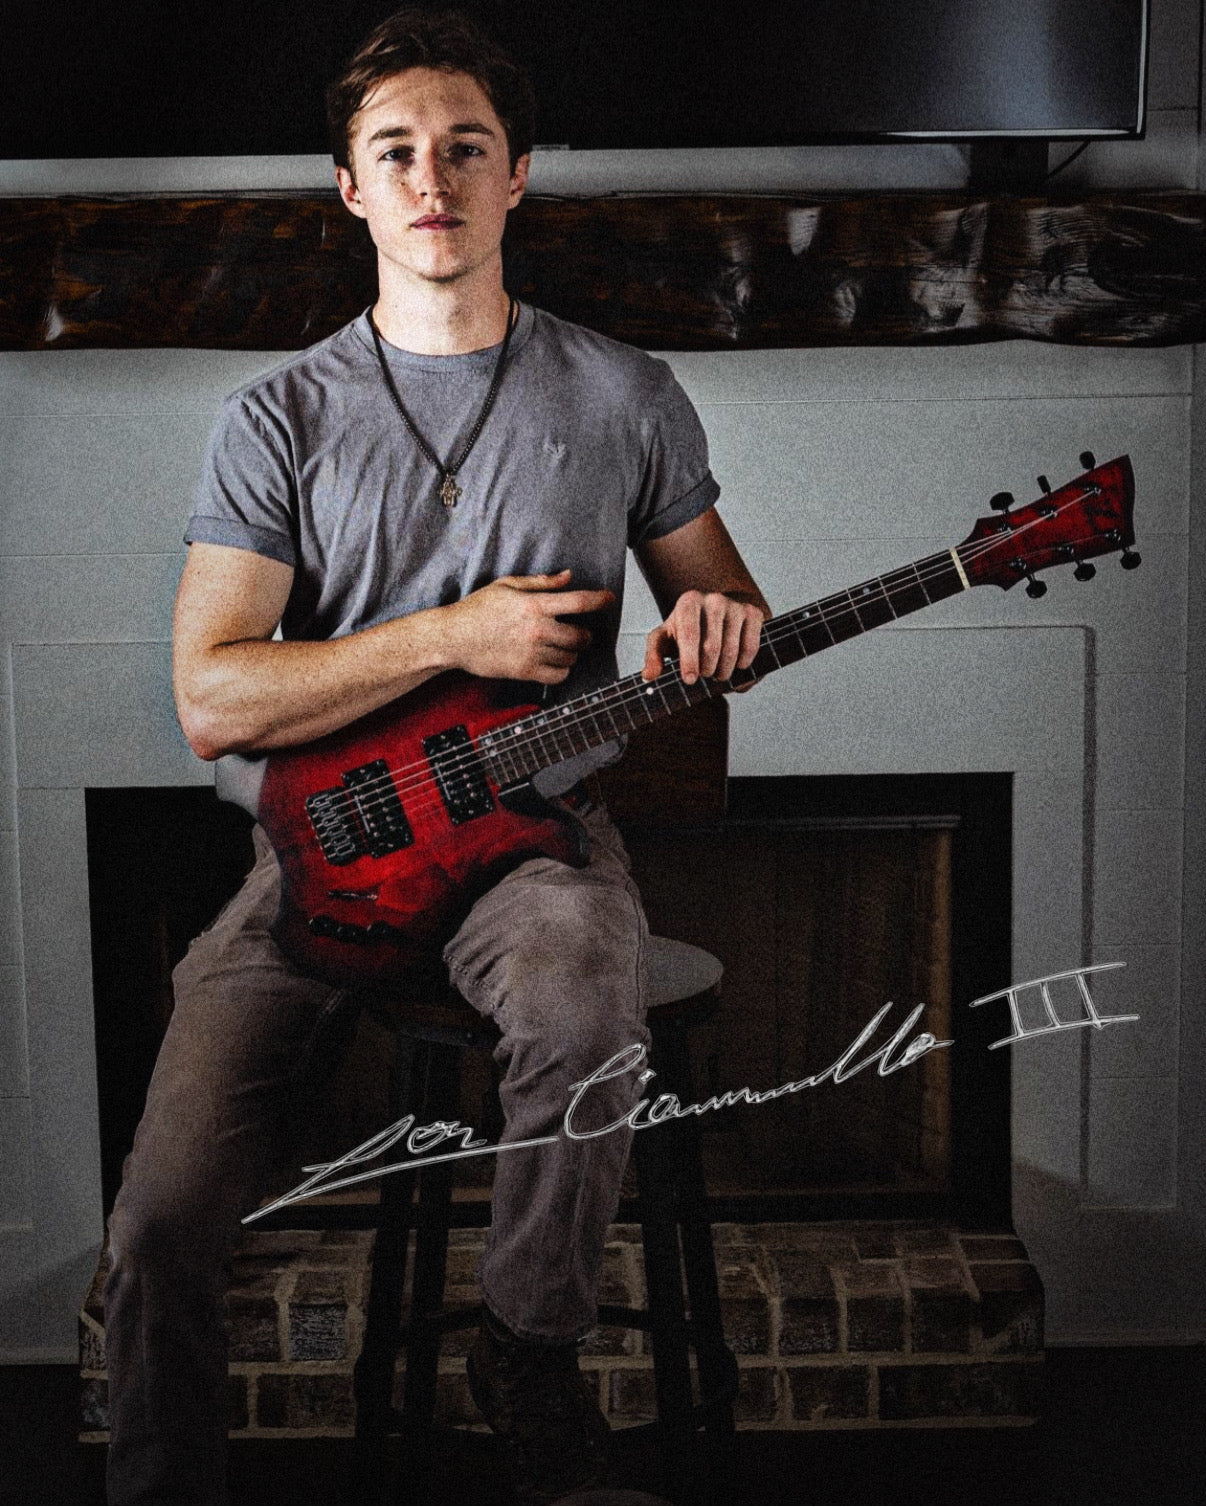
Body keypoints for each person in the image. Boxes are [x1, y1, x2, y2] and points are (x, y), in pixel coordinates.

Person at [102, 7, 770, 1503]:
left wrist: (717, 627)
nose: (432, 177)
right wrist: (451, 634)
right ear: (351, 188)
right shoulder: (277, 416)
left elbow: (720, 601)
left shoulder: (621, 393)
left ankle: (527, 1350)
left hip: (532, 835)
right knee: (157, 1221)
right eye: (396, 150)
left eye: (466, 147)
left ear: (516, 175)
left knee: (584, 1007)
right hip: (317, 854)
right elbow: (213, 699)